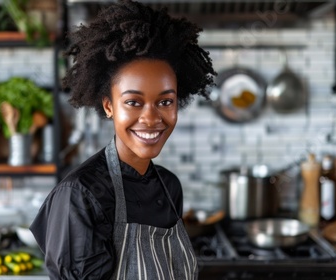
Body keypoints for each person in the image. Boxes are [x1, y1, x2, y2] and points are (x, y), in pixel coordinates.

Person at [30, 0, 216, 279]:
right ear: (109, 106)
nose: (152, 118)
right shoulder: (80, 196)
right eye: (133, 102)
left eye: (165, 101)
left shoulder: (168, 186)